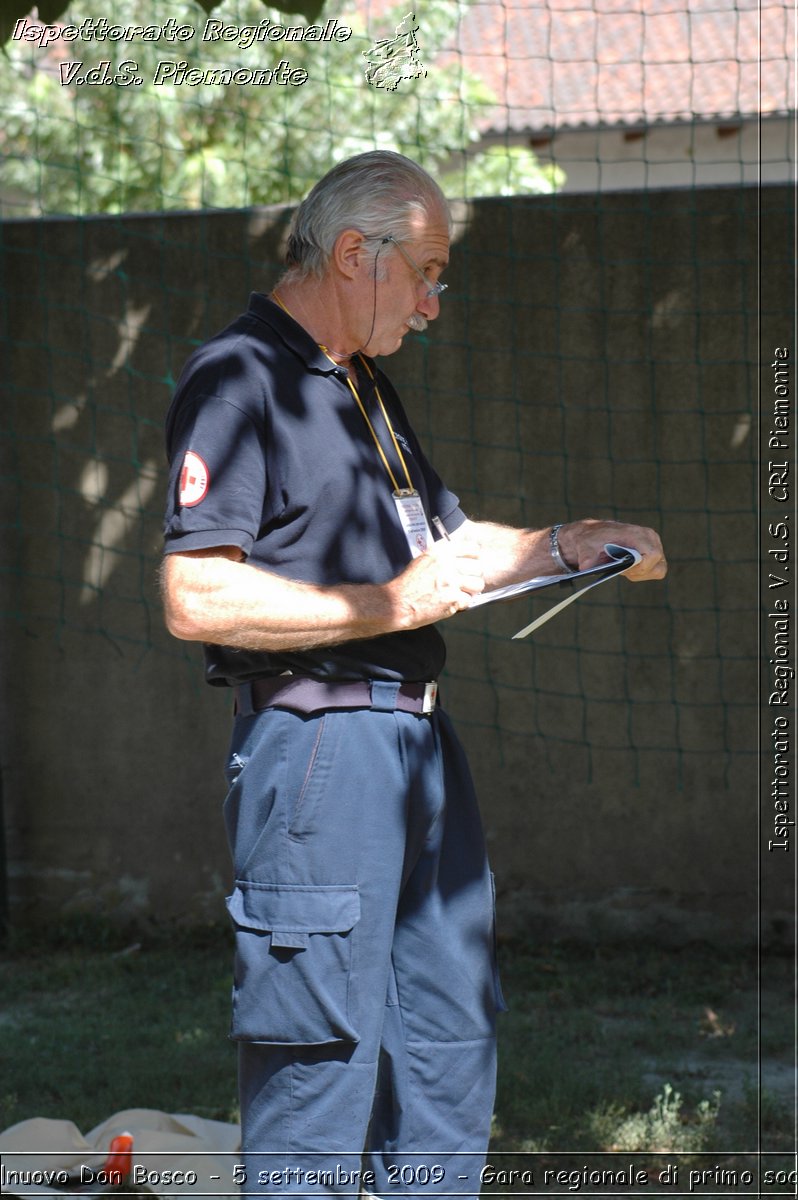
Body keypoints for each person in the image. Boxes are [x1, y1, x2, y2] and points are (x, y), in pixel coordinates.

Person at [161, 150, 666, 1195]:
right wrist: (386, 607)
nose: (435, 303)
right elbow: (194, 598)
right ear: (357, 254)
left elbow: (452, 550)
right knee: (320, 1078)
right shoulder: (238, 376)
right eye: (427, 271)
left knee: (447, 1052)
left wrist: (570, 543)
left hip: (419, 751)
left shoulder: (364, 386)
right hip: (320, 754)